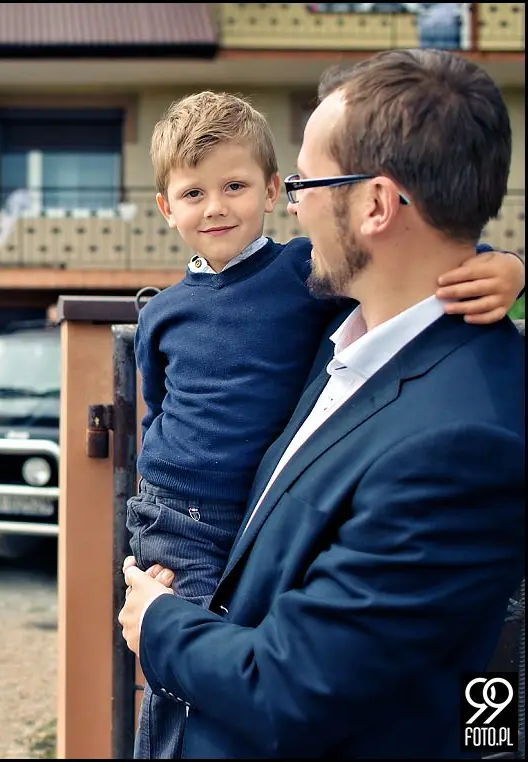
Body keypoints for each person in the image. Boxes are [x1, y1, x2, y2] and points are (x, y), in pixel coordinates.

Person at [120, 49, 525, 759]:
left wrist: (158, 622)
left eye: (304, 180)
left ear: (372, 203)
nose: (295, 201)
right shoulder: (344, 346)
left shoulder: (462, 437)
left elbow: (295, 687)